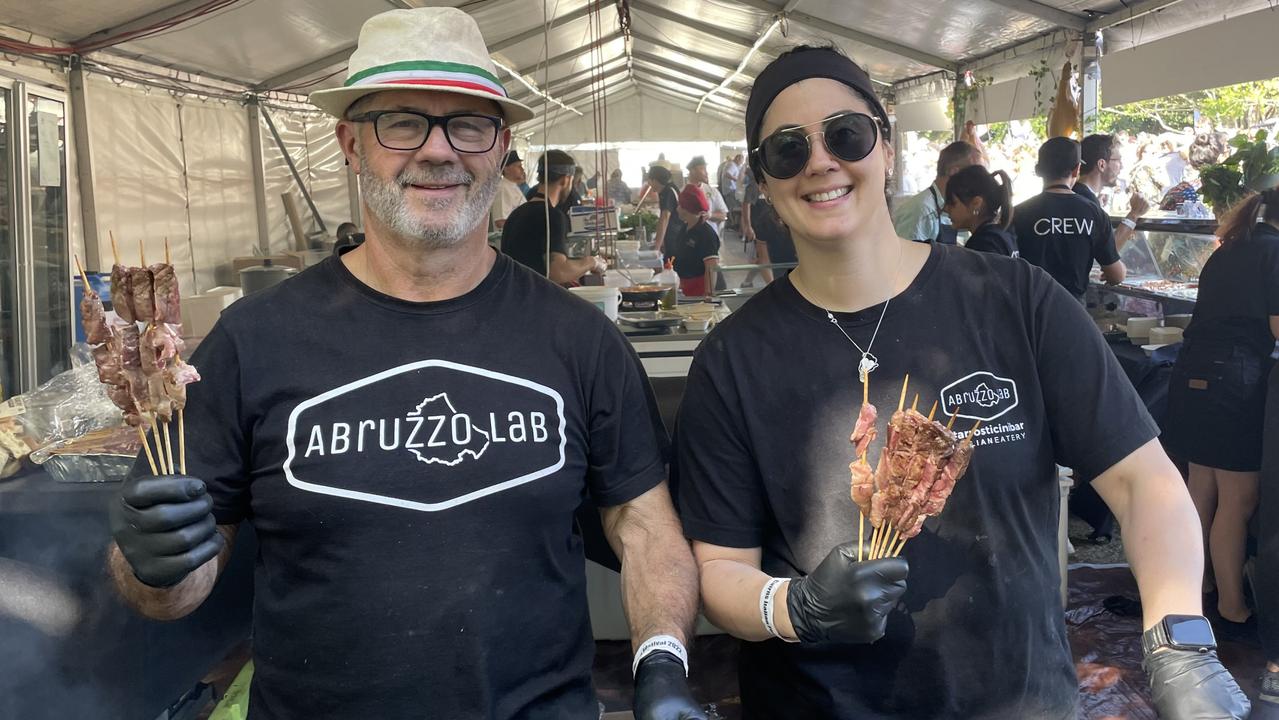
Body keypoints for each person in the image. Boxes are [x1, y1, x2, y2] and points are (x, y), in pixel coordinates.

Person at [105, 8, 704, 719]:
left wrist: (662, 662)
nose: (438, 150)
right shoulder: (252, 340)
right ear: (349, 143)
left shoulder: (579, 339)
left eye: (468, 124)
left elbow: (643, 524)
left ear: (500, 144)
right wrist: (149, 566)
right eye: (401, 122)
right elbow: (170, 592)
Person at [673, 43, 1249, 720]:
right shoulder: (732, 358)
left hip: (1017, 699)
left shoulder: (1016, 300)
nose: (820, 162)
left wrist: (1179, 641)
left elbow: (1142, 481)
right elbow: (716, 570)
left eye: (845, 135)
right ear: (765, 185)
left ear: (885, 149)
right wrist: (792, 607)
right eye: (787, 151)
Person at [1165, 184, 1279, 634]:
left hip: (1193, 373)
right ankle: (1233, 606)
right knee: (1239, 499)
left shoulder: (1231, 248)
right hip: (1235, 379)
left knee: (1203, 487)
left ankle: (1201, 586)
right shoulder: (1275, 254)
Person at [1013, 137, 1125, 302]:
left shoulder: (1019, 213)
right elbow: (1116, 275)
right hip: (1073, 309)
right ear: (1077, 170)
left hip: (1029, 308)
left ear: (1038, 170)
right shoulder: (1094, 212)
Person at [503, 150, 606, 284]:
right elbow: (558, 273)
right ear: (565, 180)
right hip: (536, 300)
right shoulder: (553, 216)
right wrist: (592, 262)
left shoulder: (516, 214)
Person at [891, 140, 982, 244]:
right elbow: (906, 257)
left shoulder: (951, 207)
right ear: (954, 172)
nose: (979, 179)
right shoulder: (921, 211)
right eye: (974, 173)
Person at [1076, 134, 1150, 249]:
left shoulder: (1080, 196)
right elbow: (1108, 252)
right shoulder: (1086, 203)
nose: (1122, 166)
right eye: (1118, 160)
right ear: (1101, 164)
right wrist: (1134, 214)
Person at [943, 164, 1017, 257]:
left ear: (976, 203)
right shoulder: (1003, 234)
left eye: (952, 203)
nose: (946, 209)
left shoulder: (982, 244)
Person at [670, 184, 720, 300]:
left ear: (688, 209)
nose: (677, 209)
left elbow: (711, 267)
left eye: (680, 205)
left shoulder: (706, 234)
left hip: (699, 289)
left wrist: (707, 296)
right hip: (685, 287)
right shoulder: (686, 227)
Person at [687, 156, 729, 237]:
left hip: (710, 238)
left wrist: (710, 215)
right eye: (702, 169)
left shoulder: (712, 191)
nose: (706, 173)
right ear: (692, 171)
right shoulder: (682, 192)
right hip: (689, 237)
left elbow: (723, 215)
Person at [648, 165, 684, 256]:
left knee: (672, 262)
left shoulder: (668, 191)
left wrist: (657, 247)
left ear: (655, 180)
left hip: (675, 234)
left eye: (650, 181)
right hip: (672, 233)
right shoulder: (665, 190)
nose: (649, 184)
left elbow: (664, 218)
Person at [490, 149, 527, 231]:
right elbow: (500, 222)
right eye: (518, 166)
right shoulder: (502, 188)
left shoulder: (512, 186)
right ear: (506, 169)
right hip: (508, 239)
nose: (522, 169)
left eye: (521, 166)